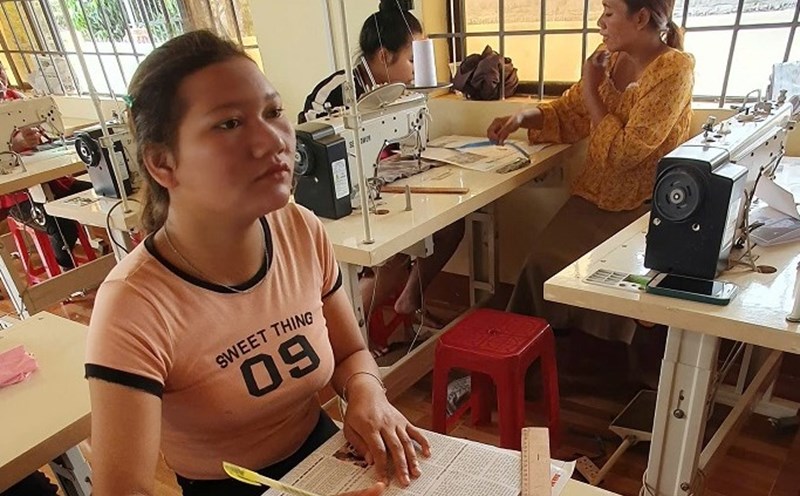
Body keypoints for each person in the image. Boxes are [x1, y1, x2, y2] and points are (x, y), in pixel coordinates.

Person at [85, 30, 430, 496]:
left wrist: (368, 393)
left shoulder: (299, 230)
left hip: (324, 459)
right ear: (163, 164)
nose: (273, 142)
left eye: (273, 112)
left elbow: (350, 354)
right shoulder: (134, 306)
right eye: (228, 124)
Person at [486, 0, 694, 381]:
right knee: (540, 266)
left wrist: (592, 90)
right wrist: (520, 117)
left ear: (642, 18)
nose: (600, 21)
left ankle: (627, 381)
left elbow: (626, 153)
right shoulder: (609, 61)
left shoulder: (673, 71)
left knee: (629, 292)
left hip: (643, 207)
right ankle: (524, 369)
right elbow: (568, 113)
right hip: (593, 197)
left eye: (610, 11)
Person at [301, 0, 465, 330]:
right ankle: (348, 340)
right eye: (410, 59)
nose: (417, 68)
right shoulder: (336, 93)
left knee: (450, 227)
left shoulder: (394, 90)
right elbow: (317, 157)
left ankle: (410, 300)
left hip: (377, 189)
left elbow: (396, 143)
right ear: (384, 57)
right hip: (334, 201)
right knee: (392, 250)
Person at [0, 61, 91, 271]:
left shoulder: (15, 99)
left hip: (53, 182)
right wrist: (15, 145)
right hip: (15, 196)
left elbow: (45, 128)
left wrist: (41, 134)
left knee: (98, 195)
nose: (0, 77)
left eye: (1, 70)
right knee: (58, 220)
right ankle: (68, 273)